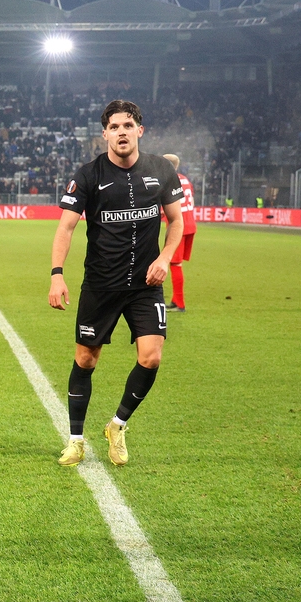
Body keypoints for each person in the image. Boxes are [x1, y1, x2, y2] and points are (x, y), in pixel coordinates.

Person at [49, 100, 183, 468]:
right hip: (101, 284)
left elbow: (176, 222)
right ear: (104, 133)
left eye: (128, 125)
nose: (121, 132)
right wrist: (57, 273)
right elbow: (66, 226)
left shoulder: (161, 171)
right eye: (114, 126)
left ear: (140, 130)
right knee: (86, 359)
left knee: (151, 357)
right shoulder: (89, 174)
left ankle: (117, 425)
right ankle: (76, 440)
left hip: (145, 284)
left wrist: (164, 258)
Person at [162, 154, 196, 312]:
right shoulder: (185, 179)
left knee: (175, 264)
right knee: (176, 263)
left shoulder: (167, 180)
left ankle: (180, 303)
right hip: (190, 223)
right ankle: (176, 300)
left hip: (179, 225)